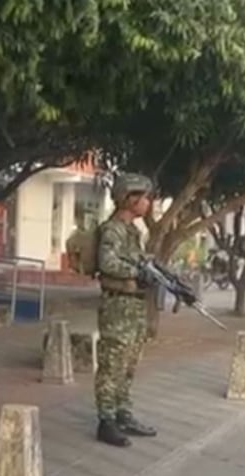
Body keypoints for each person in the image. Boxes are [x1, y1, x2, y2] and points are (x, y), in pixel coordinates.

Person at [81, 173, 158, 447]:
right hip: (117, 305)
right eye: (145, 197)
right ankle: (106, 421)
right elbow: (107, 262)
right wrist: (137, 271)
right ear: (129, 198)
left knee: (129, 364)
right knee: (112, 363)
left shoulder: (133, 231)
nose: (148, 203)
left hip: (134, 305)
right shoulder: (112, 228)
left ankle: (123, 413)